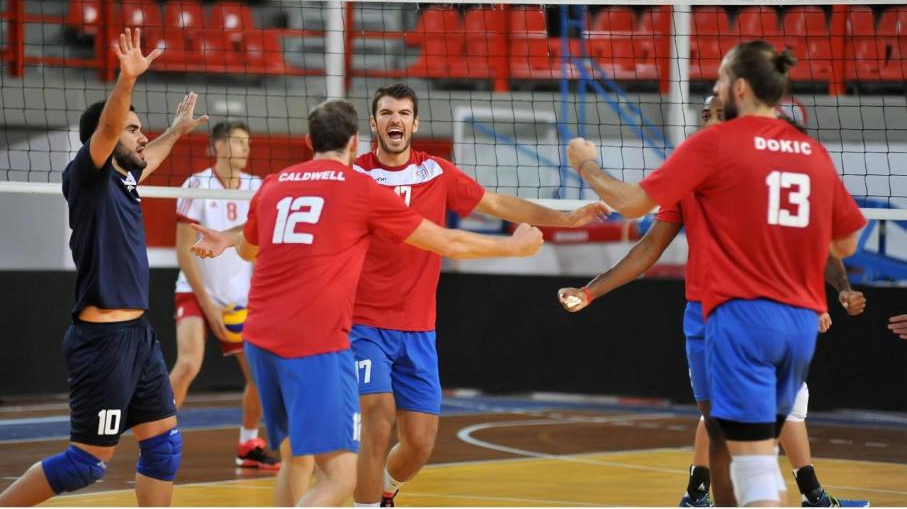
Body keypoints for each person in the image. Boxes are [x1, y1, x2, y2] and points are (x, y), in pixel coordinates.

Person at [189, 99, 544, 506]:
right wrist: (514, 247)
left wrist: (228, 238)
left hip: (260, 337)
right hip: (315, 340)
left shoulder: (273, 184)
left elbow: (248, 249)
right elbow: (448, 241)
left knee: (295, 459)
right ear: (355, 142)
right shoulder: (360, 189)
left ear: (308, 141)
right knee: (341, 477)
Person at [565, 41, 866, 506]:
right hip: (797, 322)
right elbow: (844, 243)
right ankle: (748, 492)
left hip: (738, 315)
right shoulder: (809, 151)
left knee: (747, 459)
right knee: (743, 441)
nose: (715, 92)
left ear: (739, 88)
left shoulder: (714, 147)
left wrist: (584, 162)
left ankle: (756, 493)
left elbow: (631, 204)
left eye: (721, 80)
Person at [351, 83, 608, 507]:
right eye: (386, 113)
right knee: (377, 419)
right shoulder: (355, 176)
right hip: (363, 324)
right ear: (374, 123)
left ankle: (384, 490)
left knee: (419, 445)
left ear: (415, 123)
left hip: (417, 329)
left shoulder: (436, 172)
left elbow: (498, 203)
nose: (395, 119)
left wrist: (564, 218)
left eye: (403, 113)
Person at [0, 28, 207, 507]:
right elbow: (110, 129)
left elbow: (148, 159)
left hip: (138, 336)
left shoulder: (124, 179)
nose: (142, 135)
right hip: (103, 343)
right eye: (133, 129)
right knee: (86, 464)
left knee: (163, 448)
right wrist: (126, 80)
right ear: (106, 136)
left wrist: (176, 131)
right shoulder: (87, 174)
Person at [168, 121, 278, 470]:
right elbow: (184, 250)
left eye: (248, 142)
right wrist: (207, 304)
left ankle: (248, 443)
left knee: (259, 377)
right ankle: (157, 439)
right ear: (218, 146)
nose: (246, 148)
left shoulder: (256, 187)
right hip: (195, 290)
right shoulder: (196, 184)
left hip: (240, 299)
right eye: (238, 142)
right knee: (188, 364)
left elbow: (259, 245)